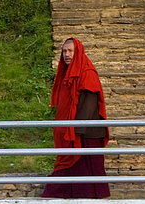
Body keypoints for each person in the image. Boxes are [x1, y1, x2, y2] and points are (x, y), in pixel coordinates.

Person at [42, 37, 110, 198]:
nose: (66, 54)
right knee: (69, 167)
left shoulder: (87, 73)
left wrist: (75, 131)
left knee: (88, 172)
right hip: (71, 131)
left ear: (78, 52)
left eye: (70, 51)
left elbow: (89, 104)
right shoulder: (67, 74)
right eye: (64, 51)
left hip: (86, 134)